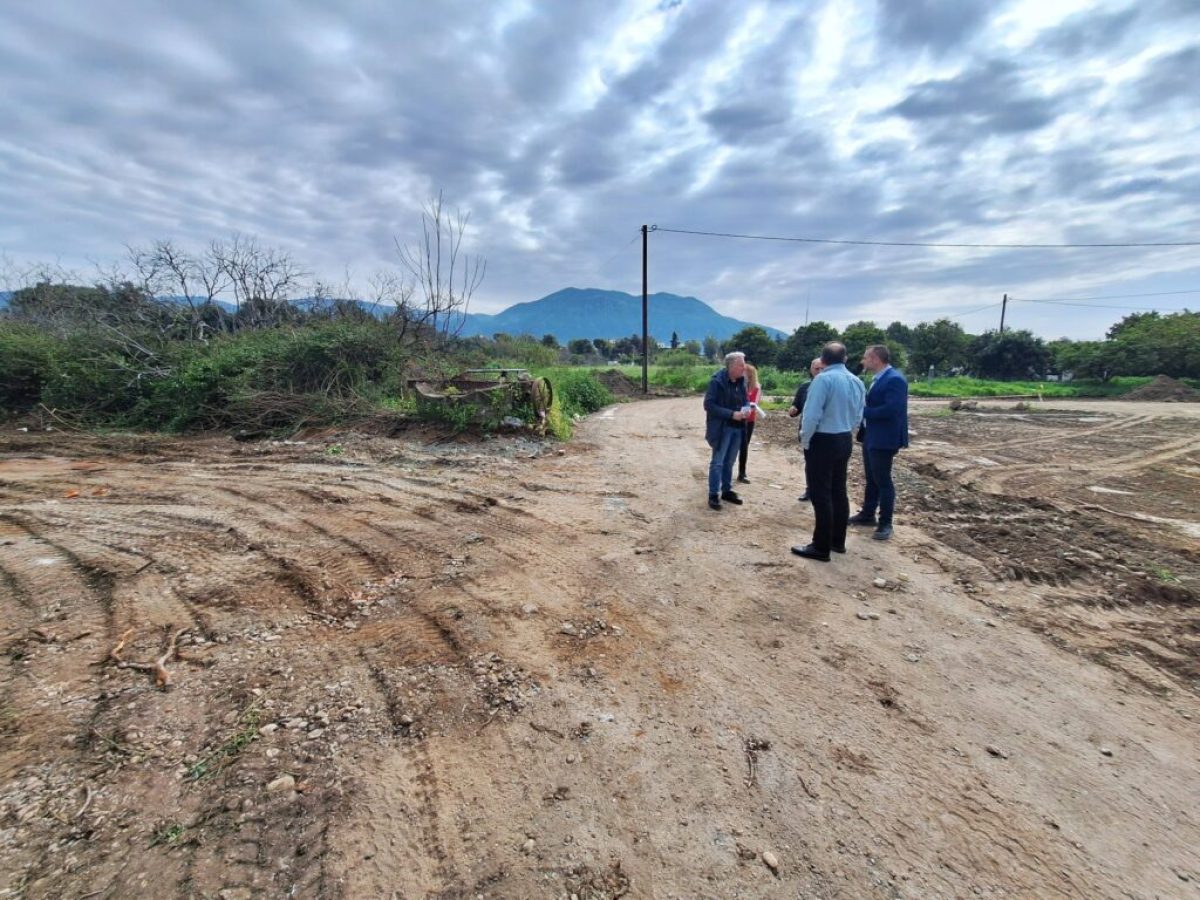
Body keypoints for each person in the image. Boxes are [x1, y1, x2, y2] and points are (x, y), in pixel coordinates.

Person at [791, 342, 865, 561]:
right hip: (844, 437)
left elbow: (811, 415)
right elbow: (859, 414)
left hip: (823, 439)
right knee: (838, 490)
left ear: (822, 361)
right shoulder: (857, 381)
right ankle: (837, 541)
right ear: (845, 358)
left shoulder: (823, 380)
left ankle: (820, 546)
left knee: (820, 493)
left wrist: (806, 440)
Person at [849, 344, 909, 541]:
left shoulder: (895, 380)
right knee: (872, 478)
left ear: (875, 359)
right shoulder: (879, 378)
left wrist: (862, 412)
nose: (863, 361)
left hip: (884, 438)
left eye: (865, 358)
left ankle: (886, 523)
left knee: (883, 481)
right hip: (871, 435)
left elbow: (892, 410)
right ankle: (868, 514)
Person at [703, 351, 749, 510]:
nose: (744, 367)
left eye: (744, 364)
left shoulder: (742, 381)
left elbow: (745, 400)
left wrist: (747, 409)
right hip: (722, 429)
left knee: (729, 461)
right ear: (730, 366)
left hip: (737, 428)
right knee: (717, 462)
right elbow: (708, 405)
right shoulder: (717, 382)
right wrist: (731, 414)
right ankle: (713, 495)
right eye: (741, 364)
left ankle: (727, 491)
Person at [787, 357, 824, 501]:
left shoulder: (830, 386)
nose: (819, 371)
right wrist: (793, 410)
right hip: (808, 431)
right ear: (811, 369)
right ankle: (810, 490)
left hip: (824, 432)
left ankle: (821, 492)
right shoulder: (805, 387)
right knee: (810, 464)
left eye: (822, 368)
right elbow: (796, 407)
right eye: (816, 369)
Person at [735, 363, 762, 484]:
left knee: (744, 446)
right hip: (736, 418)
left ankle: (742, 473)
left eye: (746, 373)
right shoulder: (736, 385)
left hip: (749, 420)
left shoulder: (756, 387)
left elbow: (754, 403)